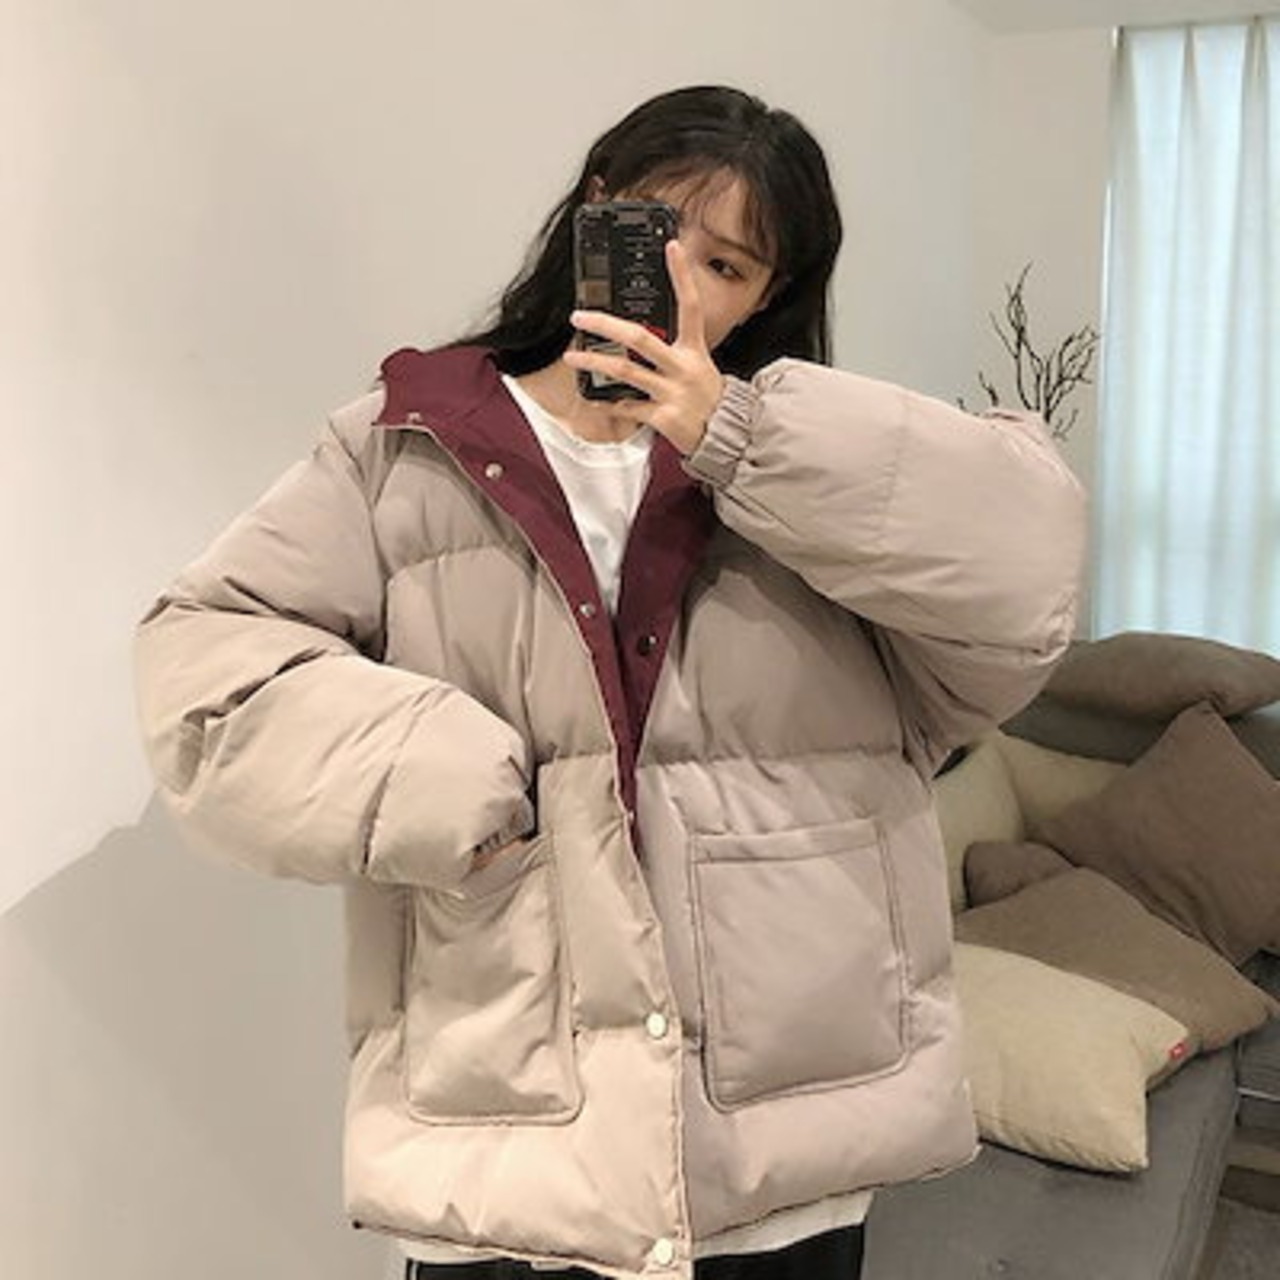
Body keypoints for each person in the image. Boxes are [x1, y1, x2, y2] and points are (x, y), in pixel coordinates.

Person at [134, 85, 1085, 1280]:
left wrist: (732, 434)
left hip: (778, 1144)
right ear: (596, 209)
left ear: (767, 296)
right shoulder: (409, 440)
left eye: (727, 265)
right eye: (656, 231)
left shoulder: (816, 474)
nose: (680, 279)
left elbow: (1029, 570)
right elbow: (207, 669)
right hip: (511, 1127)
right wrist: (439, 775)